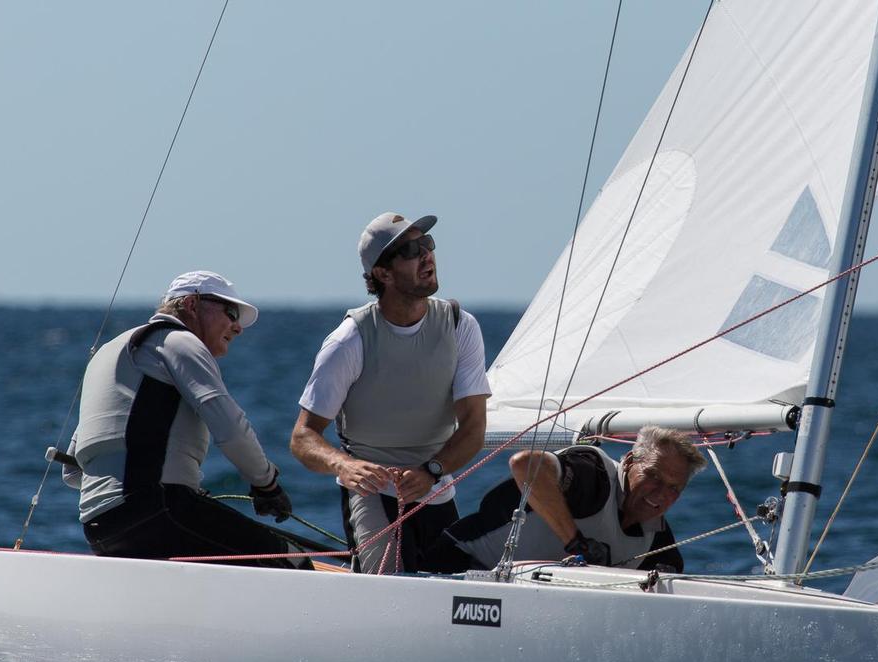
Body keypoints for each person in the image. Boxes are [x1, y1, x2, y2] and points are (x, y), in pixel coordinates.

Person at [62, 271, 314, 569]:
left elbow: (72, 471)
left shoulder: (107, 354)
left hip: (99, 527)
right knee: (292, 560)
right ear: (192, 304)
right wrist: (267, 484)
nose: (237, 327)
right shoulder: (178, 341)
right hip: (156, 510)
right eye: (230, 312)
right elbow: (230, 427)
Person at [291, 211, 491, 574]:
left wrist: (431, 471)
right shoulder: (349, 341)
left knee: (453, 588)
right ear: (382, 273)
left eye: (427, 244)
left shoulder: (461, 325)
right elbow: (303, 437)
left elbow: (474, 428)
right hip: (371, 493)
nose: (427, 255)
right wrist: (344, 465)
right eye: (412, 249)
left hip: (435, 485)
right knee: (388, 587)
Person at [422, 425, 706, 573]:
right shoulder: (592, 477)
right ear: (630, 461)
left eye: (673, 487)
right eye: (654, 475)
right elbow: (526, 465)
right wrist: (576, 543)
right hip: (454, 568)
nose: (660, 492)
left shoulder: (658, 542)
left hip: (523, 599)